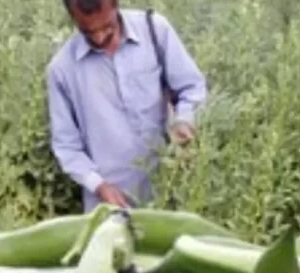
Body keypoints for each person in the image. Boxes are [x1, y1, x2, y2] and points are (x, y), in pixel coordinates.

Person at [46, 0, 207, 212]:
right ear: (73, 18)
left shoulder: (154, 31)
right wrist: (99, 186)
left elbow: (191, 87)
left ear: (116, 5)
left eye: (107, 27)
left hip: (170, 191)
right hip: (109, 207)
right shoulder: (61, 70)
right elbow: (66, 145)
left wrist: (184, 120)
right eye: (88, 32)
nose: (99, 37)